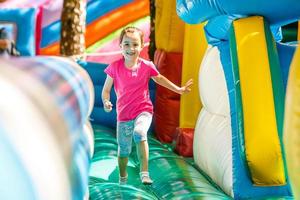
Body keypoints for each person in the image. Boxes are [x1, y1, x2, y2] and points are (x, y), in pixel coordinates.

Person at [102, 26, 193, 185]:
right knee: (123, 151)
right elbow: (106, 90)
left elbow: (160, 79)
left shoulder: (147, 66)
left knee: (139, 132)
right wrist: (106, 101)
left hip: (143, 111)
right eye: (127, 44)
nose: (131, 48)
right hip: (123, 116)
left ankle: (144, 172)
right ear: (121, 46)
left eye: (135, 44)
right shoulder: (114, 68)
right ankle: (123, 177)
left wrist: (178, 89)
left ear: (142, 45)